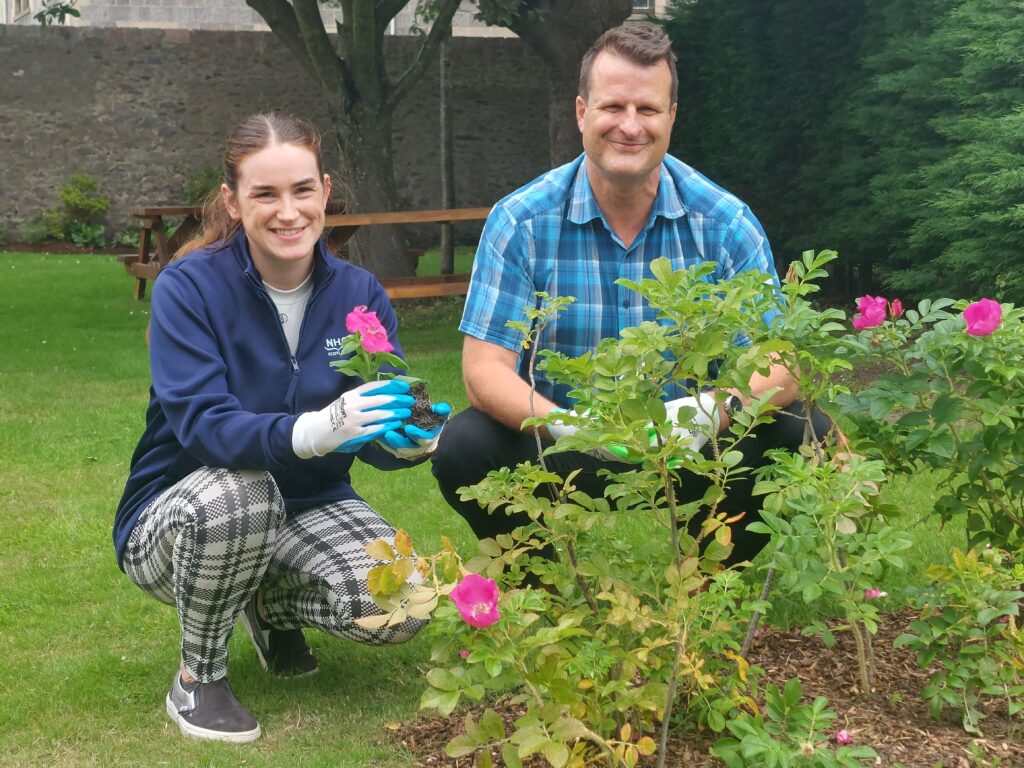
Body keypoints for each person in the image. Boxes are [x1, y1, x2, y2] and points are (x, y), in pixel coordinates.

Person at [431, 24, 832, 565]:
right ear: (581, 112)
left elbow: (781, 358)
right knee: (464, 445)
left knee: (800, 430)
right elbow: (484, 370)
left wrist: (714, 410)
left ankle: (707, 591)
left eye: (647, 109)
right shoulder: (521, 221)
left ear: (671, 117)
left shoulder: (724, 221)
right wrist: (568, 425)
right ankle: (544, 594)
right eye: (612, 106)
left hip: (694, 449)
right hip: (562, 446)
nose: (629, 126)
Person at [113, 112, 448, 744]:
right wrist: (312, 430)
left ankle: (264, 605)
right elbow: (204, 427)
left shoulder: (360, 292)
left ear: (324, 191)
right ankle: (198, 678)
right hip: (184, 514)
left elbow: (368, 421)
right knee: (243, 492)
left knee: (405, 598)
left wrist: (408, 438)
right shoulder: (189, 287)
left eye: (301, 190)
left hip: (312, 503)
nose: (287, 211)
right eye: (264, 194)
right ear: (232, 203)